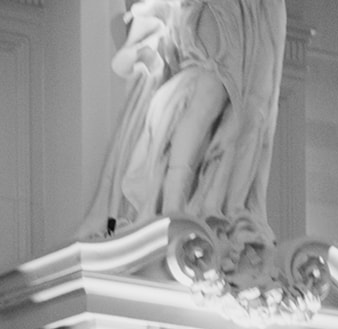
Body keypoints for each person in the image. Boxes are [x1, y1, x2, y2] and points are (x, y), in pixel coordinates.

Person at [79, 0, 286, 241]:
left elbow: (259, 97)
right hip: (195, 83)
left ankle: (186, 212)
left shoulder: (255, 13)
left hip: (221, 88)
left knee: (218, 111)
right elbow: (128, 59)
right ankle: (173, 214)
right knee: (202, 105)